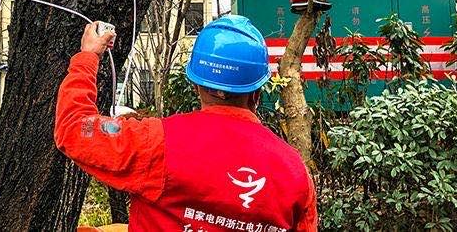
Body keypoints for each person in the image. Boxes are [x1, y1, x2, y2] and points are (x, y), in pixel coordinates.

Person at [55, 15, 317, 231]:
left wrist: (87, 57)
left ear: (196, 84)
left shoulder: (158, 142)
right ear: (257, 92)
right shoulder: (295, 173)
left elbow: (74, 128)